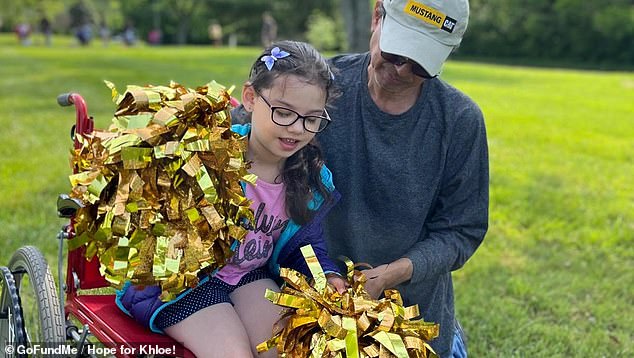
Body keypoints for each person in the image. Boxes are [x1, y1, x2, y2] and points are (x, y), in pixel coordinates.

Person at [117, 40, 345, 357]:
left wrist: (326, 277)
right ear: (251, 98)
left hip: (247, 277)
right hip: (184, 284)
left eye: (311, 118)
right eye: (284, 112)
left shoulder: (309, 178)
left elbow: (306, 246)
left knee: (290, 350)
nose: (296, 128)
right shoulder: (209, 155)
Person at [318, 1, 489, 357]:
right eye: (397, 52)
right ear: (376, 16)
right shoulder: (320, 86)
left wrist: (392, 274)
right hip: (315, 296)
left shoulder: (459, 120)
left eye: (421, 64)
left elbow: (462, 230)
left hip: (413, 315)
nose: (402, 69)